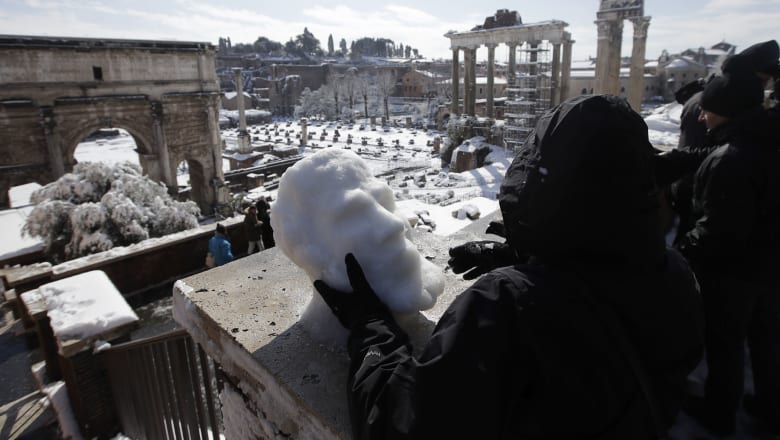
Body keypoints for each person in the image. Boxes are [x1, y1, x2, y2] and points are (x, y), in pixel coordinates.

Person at [313, 95, 704, 439]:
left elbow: (399, 424)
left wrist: (371, 329)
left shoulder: (505, 308)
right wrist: (531, 258)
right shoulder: (677, 273)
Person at [677, 72, 780, 436]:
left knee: (725, 343)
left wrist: (682, 251)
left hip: (733, 273)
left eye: (707, 110)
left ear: (726, 110)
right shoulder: (767, 140)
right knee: (765, 339)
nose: (701, 117)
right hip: (768, 265)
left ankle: (719, 414)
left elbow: (718, 231)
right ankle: (770, 406)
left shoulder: (731, 160)